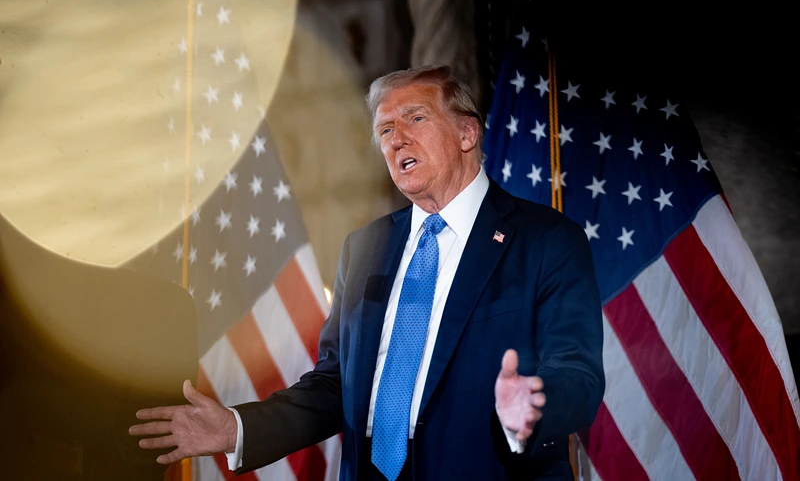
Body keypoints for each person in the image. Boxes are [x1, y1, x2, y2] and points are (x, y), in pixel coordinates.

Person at [130, 65, 604, 480]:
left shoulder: (547, 240)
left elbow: (578, 374)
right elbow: (336, 384)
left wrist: (533, 404)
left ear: (466, 134)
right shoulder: (365, 248)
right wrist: (239, 428)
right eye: (384, 131)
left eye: (415, 118)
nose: (397, 138)